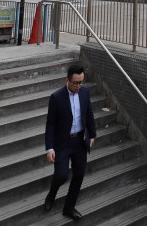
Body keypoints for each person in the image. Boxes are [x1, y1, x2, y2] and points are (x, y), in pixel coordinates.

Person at [44, 65, 96, 220]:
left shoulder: (85, 92)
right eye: (75, 83)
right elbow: (51, 124)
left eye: (81, 82)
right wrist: (50, 148)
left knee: (79, 174)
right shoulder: (57, 97)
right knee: (61, 176)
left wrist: (92, 134)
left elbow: (89, 113)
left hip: (80, 141)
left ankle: (69, 208)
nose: (78, 86)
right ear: (67, 80)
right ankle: (51, 195)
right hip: (63, 143)